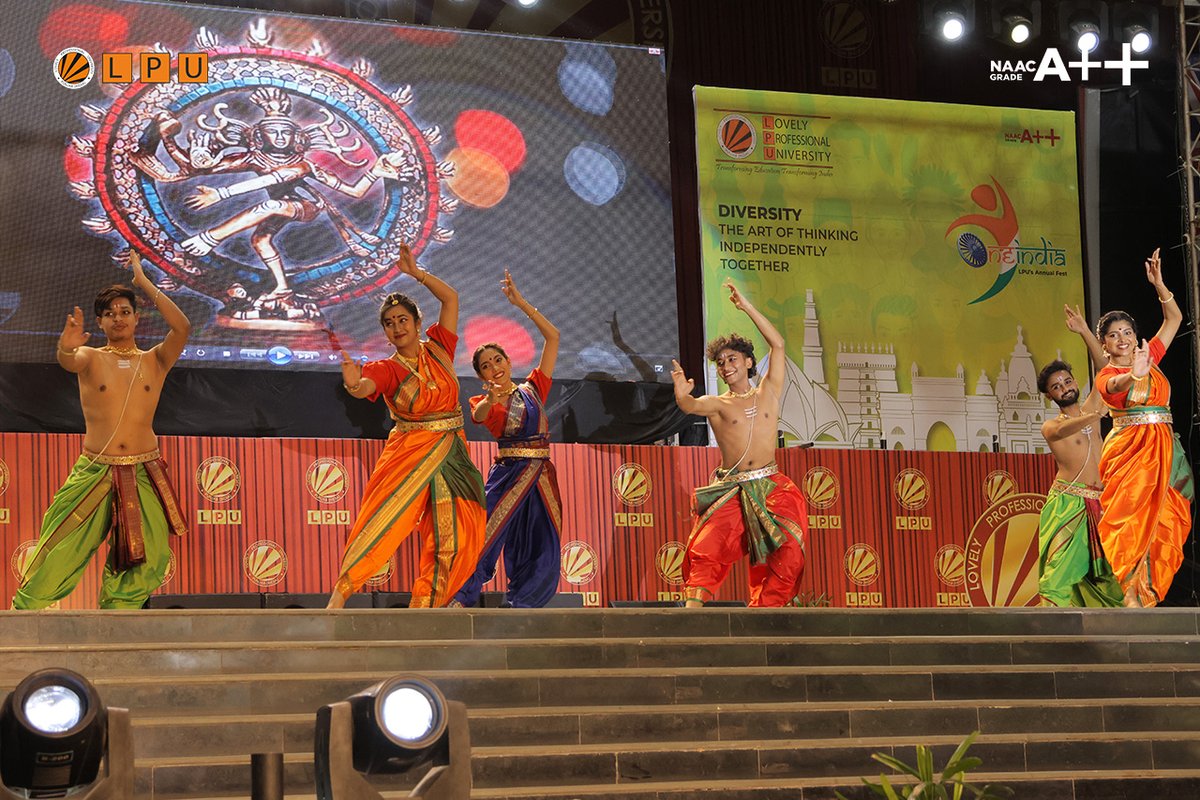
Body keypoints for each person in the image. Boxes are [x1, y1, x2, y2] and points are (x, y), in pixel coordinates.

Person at [13, 252, 190, 609]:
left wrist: (142, 282)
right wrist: (66, 345)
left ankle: (116, 621)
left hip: (143, 471)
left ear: (137, 318)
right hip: (95, 471)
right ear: (101, 321)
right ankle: (22, 615)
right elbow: (68, 360)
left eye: (125, 312)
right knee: (61, 550)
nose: (118, 318)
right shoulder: (91, 357)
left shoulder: (155, 360)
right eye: (110, 314)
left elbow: (182, 327)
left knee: (149, 557)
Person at [329, 244, 485, 609]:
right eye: (389, 323)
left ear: (417, 324)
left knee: (457, 535)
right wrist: (354, 385)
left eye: (403, 320)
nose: (397, 328)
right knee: (382, 521)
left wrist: (417, 274)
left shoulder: (441, 348)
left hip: (452, 453)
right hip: (410, 452)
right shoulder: (388, 368)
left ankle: (427, 609)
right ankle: (337, 601)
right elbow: (366, 387)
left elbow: (451, 299)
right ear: (384, 332)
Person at [670, 281, 808, 607]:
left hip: (772, 485)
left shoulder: (769, 392)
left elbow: (777, 344)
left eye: (732, 359)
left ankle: (765, 617)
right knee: (708, 547)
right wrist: (681, 395)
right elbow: (691, 406)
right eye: (720, 362)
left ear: (748, 362)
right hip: (732, 488)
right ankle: (691, 615)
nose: (726, 366)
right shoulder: (719, 404)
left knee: (788, 552)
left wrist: (746, 307)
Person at [451, 269, 562, 608]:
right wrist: (491, 399)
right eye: (486, 365)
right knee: (487, 536)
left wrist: (520, 304)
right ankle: (461, 596)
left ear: (509, 360)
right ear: (481, 374)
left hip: (541, 477)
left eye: (498, 359)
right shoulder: (482, 401)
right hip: (510, 474)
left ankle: (524, 605)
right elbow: (481, 415)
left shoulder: (532, 388)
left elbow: (553, 337)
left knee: (541, 543)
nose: (494, 367)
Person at [1095, 247, 1194, 607]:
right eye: (1113, 335)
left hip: (1166, 449)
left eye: (1127, 331)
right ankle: (1129, 593)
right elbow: (1115, 389)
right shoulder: (1108, 374)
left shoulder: (1148, 356)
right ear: (1104, 345)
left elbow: (1174, 320)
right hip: (1131, 453)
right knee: (1131, 519)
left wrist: (1159, 284)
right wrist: (1131, 376)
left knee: (1171, 515)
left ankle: (1149, 591)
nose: (1122, 338)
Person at [1035, 330, 1124, 607]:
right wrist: (1093, 415)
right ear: (1050, 396)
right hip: (1068, 504)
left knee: (1110, 577)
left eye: (1067, 381)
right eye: (1056, 387)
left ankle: (1116, 637)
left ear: (1075, 382)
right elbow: (1065, 428)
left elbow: (1104, 369)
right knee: (1059, 572)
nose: (1064, 388)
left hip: (1102, 503)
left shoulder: (1090, 410)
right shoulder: (1051, 426)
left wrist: (1085, 331)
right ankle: (1049, 637)